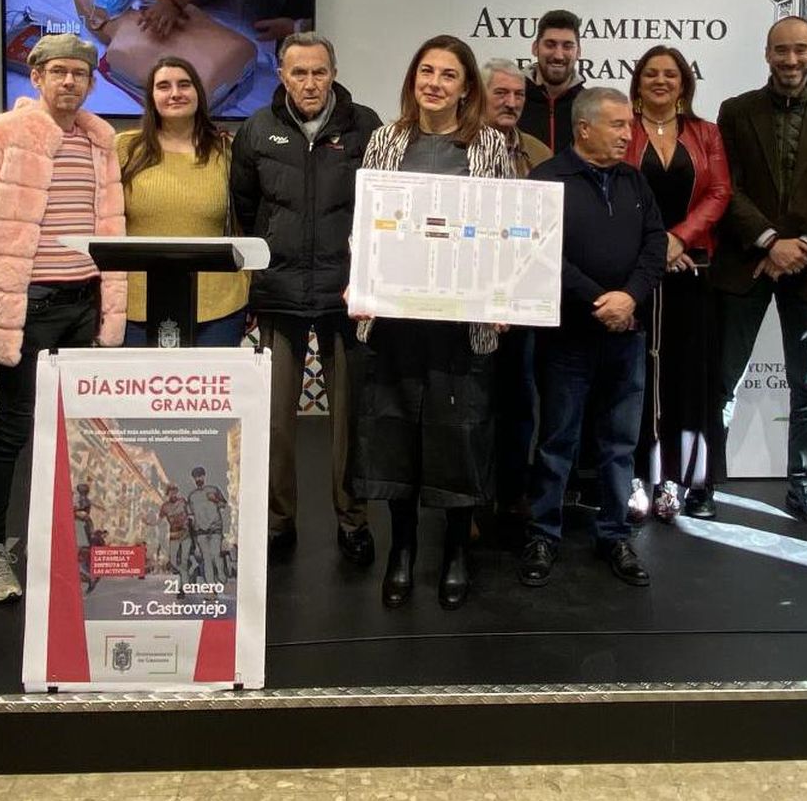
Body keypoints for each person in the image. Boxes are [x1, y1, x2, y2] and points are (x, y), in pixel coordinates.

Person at [0, 32, 127, 603]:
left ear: (91, 81)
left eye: (79, 73)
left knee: (85, 434)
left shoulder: (102, 142)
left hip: (85, 304)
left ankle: (77, 545)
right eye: (59, 72)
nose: (69, 81)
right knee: (14, 428)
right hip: (31, 306)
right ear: (37, 77)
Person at [349, 35, 516, 609]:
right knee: (394, 434)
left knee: (459, 437)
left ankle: (454, 552)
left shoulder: (491, 144)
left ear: (466, 87)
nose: (435, 84)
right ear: (413, 78)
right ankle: (402, 551)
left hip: (462, 324)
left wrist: (504, 298)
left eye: (449, 75)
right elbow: (367, 223)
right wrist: (362, 283)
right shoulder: (385, 139)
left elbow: (505, 230)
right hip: (395, 320)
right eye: (427, 71)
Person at [230, 32, 381, 566]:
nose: (310, 83)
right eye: (299, 73)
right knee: (274, 421)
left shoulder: (366, 126)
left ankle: (353, 520)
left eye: (319, 72)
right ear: (281, 74)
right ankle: (277, 522)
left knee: (351, 419)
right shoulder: (256, 130)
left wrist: (367, 279)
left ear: (333, 71)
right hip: (279, 294)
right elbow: (244, 209)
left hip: (347, 295)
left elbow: (380, 209)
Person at [709, 17, 807, 527]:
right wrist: (771, 242)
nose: (790, 60)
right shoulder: (735, 111)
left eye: (799, 50)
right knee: (722, 380)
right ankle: (705, 481)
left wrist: (802, 245)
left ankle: (804, 486)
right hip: (747, 263)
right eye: (780, 51)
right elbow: (724, 186)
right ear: (766, 53)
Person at [521, 87, 666, 588]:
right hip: (568, 337)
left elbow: (655, 243)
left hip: (627, 334)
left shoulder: (634, 180)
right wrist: (597, 300)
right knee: (557, 441)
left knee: (619, 445)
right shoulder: (547, 178)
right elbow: (539, 250)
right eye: (618, 125)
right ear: (584, 129)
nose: (629, 134)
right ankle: (543, 534)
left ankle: (614, 534)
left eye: (629, 125)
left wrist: (629, 297)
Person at [623, 45, 731, 524]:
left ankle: (675, 479)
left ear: (685, 82)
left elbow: (720, 191)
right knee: (634, 379)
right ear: (639, 82)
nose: (661, 81)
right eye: (651, 74)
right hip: (634, 270)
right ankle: (632, 476)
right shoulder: (622, 127)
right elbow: (616, 189)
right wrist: (655, 246)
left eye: (670, 74)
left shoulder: (706, 133)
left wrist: (678, 239)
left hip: (693, 271)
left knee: (686, 378)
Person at [116, 56, 249, 346]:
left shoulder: (227, 150)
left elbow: (243, 225)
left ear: (198, 94)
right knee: (140, 392)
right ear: (151, 97)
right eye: (163, 86)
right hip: (136, 306)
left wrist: (248, 285)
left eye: (184, 85)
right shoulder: (124, 148)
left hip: (218, 308)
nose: (175, 93)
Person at [482, 57, 551, 530]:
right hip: (469, 301)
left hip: (524, 302)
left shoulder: (539, 153)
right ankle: (468, 501)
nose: (510, 103)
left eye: (518, 96)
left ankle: (511, 495)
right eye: (500, 94)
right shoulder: (459, 146)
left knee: (520, 402)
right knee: (471, 405)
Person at [518, 9, 586, 153]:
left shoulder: (588, 106)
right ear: (535, 48)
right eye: (550, 44)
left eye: (568, 46)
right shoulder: (513, 101)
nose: (558, 55)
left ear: (578, 52)